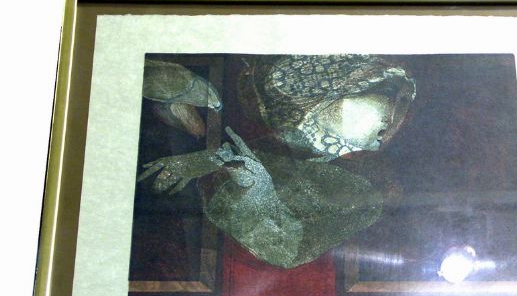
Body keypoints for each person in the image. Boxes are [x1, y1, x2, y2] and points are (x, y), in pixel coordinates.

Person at [138, 54, 416, 268]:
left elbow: (288, 248)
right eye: (390, 108)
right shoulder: (286, 125)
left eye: (389, 128)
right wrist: (212, 159)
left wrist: (255, 190)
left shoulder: (363, 193)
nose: (390, 128)